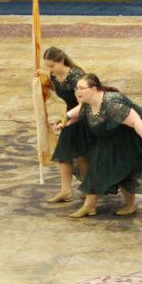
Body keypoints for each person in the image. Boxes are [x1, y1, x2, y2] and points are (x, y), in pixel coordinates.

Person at [56, 74, 142, 218]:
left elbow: (136, 121)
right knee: (101, 161)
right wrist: (66, 117)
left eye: (81, 88)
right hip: (111, 131)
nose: (77, 91)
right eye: (76, 88)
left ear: (93, 89)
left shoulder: (113, 105)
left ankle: (128, 204)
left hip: (132, 132)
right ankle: (90, 206)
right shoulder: (89, 100)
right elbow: (82, 109)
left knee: (121, 165)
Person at [39, 47, 92, 204]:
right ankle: (66, 191)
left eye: (52, 65)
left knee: (83, 154)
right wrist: (41, 80)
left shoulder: (76, 76)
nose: (50, 69)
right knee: (64, 152)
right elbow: (58, 88)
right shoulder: (55, 75)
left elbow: (86, 101)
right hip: (69, 115)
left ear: (62, 61)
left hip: (82, 115)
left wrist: (69, 116)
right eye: (47, 66)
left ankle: (87, 187)